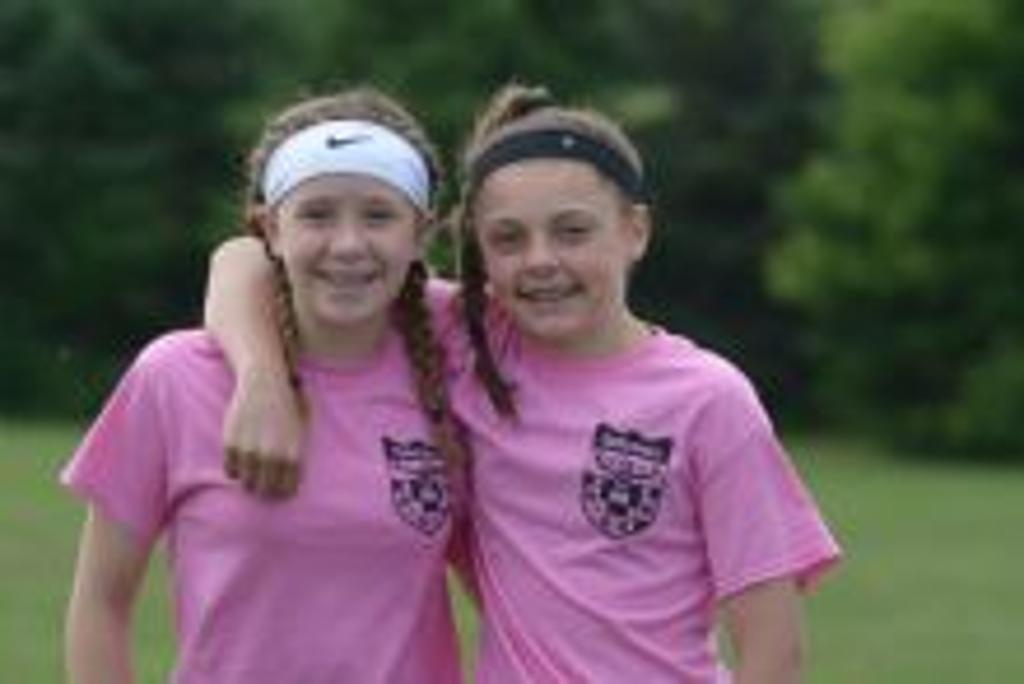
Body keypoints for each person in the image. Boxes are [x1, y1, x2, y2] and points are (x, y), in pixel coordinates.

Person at [206, 83, 841, 683]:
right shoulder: (468, 342)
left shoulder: (708, 399)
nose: (541, 260)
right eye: (508, 239)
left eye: (572, 231)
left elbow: (774, 651)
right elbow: (244, 258)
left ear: (635, 231)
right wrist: (262, 380)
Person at [62, 87, 466, 683]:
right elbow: (101, 601)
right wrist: (261, 375)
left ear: (420, 233)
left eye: (379, 216)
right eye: (317, 214)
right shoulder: (175, 376)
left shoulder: (460, 359)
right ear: (270, 229)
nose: (348, 245)